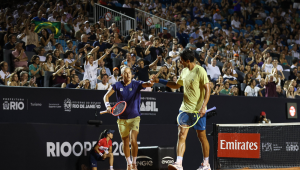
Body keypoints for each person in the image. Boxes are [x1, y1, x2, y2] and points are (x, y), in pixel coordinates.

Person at [152, 49, 211, 170]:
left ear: (188, 61)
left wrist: (204, 105)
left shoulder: (200, 71)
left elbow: (208, 88)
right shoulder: (184, 71)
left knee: (202, 137)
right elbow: (176, 85)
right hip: (185, 109)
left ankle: (206, 164)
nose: (180, 63)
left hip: (198, 110)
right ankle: (179, 163)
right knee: (182, 134)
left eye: (182, 61)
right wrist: (159, 81)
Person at [103, 66, 154, 170]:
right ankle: (129, 163)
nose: (128, 75)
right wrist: (108, 106)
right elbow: (106, 96)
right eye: (126, 73)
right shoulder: (117, 85)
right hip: (122, 119)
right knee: (125, 142)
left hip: (135, 117)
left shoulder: (136, 84)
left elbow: (147, 84)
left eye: (129, 72)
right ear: (122, 75)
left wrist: (151, 82)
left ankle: (134, 163)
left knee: (133, 139)